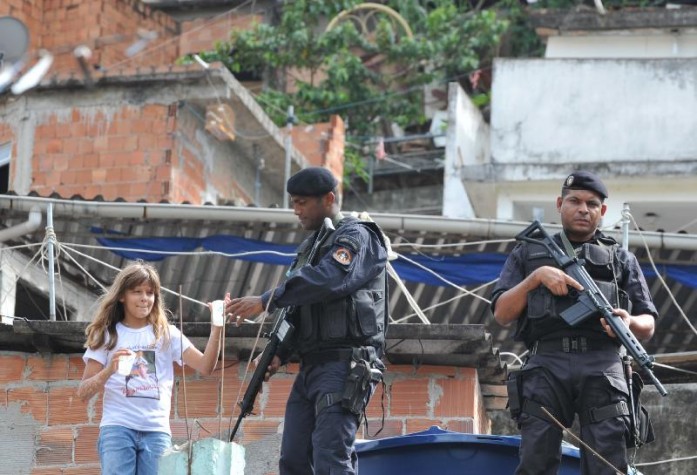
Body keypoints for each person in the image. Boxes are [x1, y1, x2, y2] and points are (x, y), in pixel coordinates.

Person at [490, 170, 658, 475]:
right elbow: (501, 313)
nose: (584, 209)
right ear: (559, 204)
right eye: (575, 201)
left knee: (607, 463)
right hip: (547, 362)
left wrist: (628, 320)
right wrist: (536, 277)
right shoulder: (529, 253)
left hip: (603, 364)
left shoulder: (620, 259)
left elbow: (648, 323)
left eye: (592, 204)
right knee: (535, 459)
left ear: (602, 211)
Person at [226, 166, 389, 475]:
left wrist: (265, 300)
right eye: (293, 202)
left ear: (328, 199)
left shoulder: (358, 235)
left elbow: (328, 280)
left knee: (331, 457)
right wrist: (278, 353)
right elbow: (298, 310)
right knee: (294, 460)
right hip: (311, 368)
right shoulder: (312, 246)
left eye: (302, 202)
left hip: (344, 365)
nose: (295, 210)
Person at [77, 261, 227, 475]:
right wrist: (110, 369)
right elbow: (83, 392)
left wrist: (217, 328)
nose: (144, 298)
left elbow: (205, 367)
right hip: (118, 428)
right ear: (122, 296)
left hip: (156, 432)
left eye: (150, 292)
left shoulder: (167, 334)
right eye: (137, 291)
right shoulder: (107, 335)